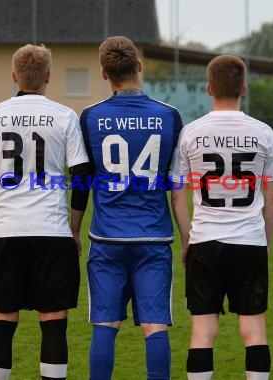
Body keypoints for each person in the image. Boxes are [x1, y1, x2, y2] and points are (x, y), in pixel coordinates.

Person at [0, 44, 91, 380]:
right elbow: (81, 176)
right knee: (53, 324)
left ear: (14, 76)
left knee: (2, 322)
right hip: (52, 231)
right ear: (48, 76)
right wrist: (74, 227)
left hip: (7, 231)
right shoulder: (65, 116)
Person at [170, 55, 273, 380]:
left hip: (205, 241)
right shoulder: (263, 133)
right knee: (254, 329)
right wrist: (265, 241)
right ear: (244, 88)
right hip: (248, 241)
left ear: (208, 88)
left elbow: (177, 194)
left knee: (203, 331)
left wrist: (187, 240)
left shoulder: (191, 132)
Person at [79, 35, 184, 380]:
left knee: (105, 324)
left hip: (107, 237)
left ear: (104, 73)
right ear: (139, 66)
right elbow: (174, 183)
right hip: (154, 237)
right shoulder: (169, 116)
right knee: (155, 325)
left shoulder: (90, 117)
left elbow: (86, 176)